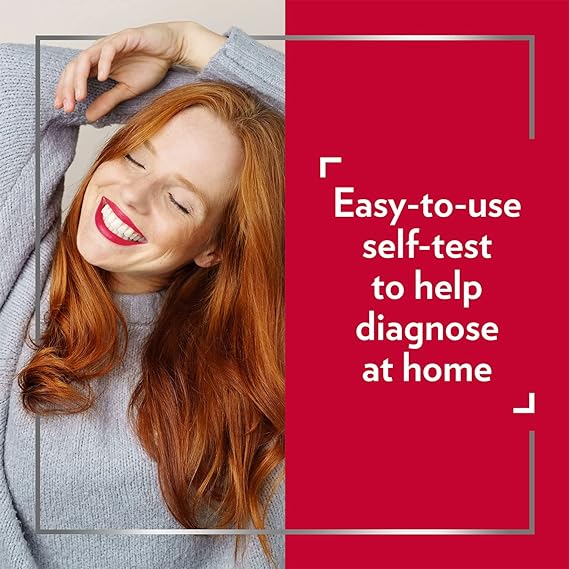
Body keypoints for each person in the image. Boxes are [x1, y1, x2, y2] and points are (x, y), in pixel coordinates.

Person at [0, 21, 284, 569]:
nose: (131, 194)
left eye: (179, 201)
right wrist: (157, 88)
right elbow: (15, 79)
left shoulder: (258, 352)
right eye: (135, 156)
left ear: (216, 248)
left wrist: (194, 45)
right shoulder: (23, 275)